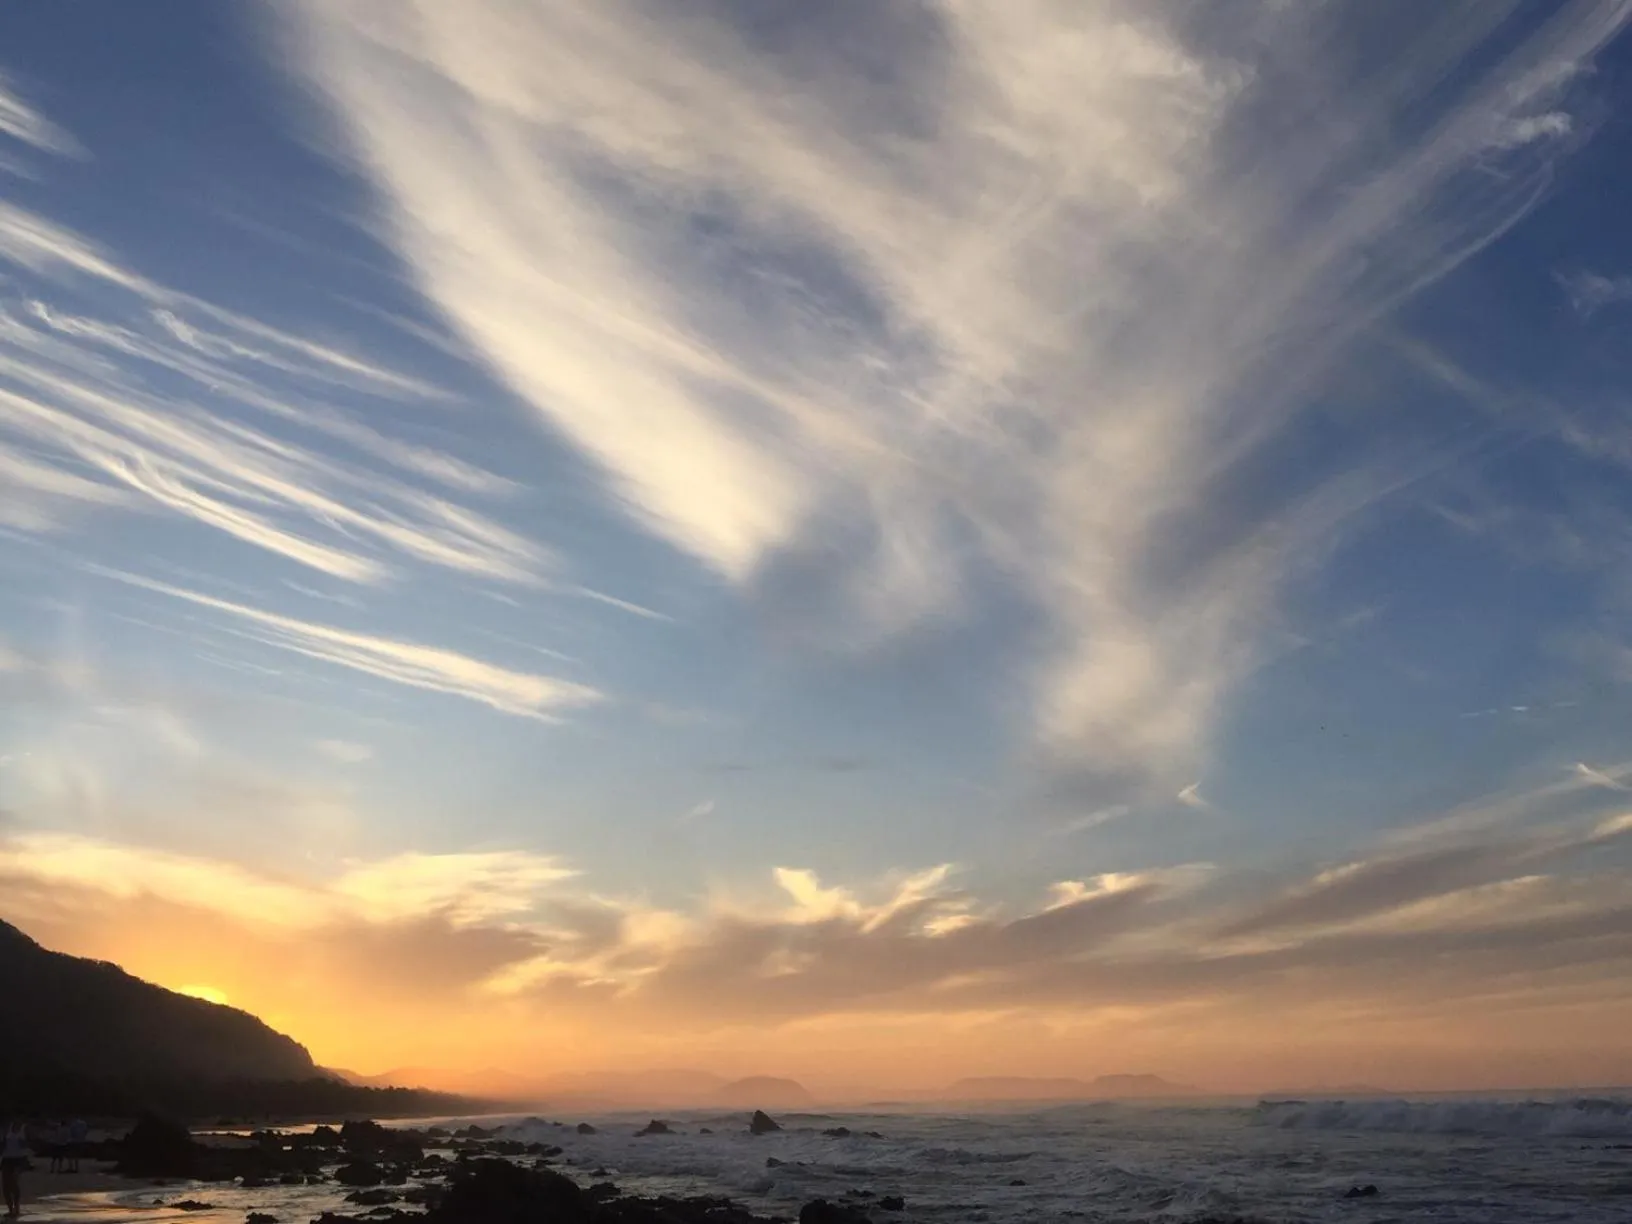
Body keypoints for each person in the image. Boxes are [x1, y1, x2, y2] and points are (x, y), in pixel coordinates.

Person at [1, 1120, 28, 1217]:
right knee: (6, 1186)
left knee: (13, 1184)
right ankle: (11, 1209)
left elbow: (25, 1145)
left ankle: (16, 1208)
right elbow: (3, 1146)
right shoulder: (7, 1131)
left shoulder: (22, 1131)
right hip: (8, 1159)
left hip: (17, 1160)